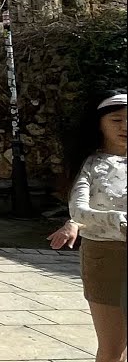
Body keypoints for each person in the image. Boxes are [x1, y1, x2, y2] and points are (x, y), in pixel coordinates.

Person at [66, 90, 127, 362]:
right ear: (100, 124)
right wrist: (118, 219)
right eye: (117, 120)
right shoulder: (92, 165)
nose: (125, 127)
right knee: (112, 347)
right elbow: (78, 211)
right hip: (105, 257)